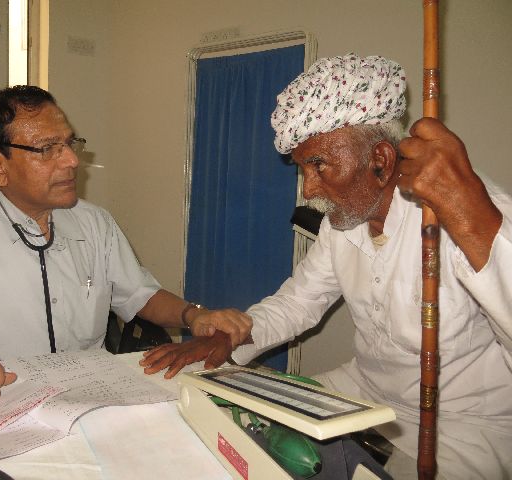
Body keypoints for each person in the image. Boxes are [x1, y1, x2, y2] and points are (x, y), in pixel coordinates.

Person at [141, 54, 512, 479]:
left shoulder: (472, 216)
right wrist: (235, 335)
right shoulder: (345, 223)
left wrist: (474, 221)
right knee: (230, 424)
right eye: (303, 169)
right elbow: (300, 302)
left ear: (382, 160)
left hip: (465, 427)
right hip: (364, 393)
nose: (308, 189)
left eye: (318, 165)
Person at [0, 85, 251, 407]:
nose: (72, 161)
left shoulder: (94, 223)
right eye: (47, 149)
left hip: (93, 397)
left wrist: (193, 315)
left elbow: (139, 295)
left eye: (69, 143)